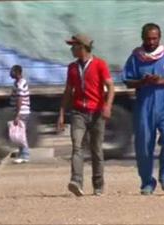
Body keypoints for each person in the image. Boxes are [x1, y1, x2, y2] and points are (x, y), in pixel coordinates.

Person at [122, 23, 164, 195]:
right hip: (144, 106)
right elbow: (127, 81)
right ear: (142, 38)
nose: (151, 42)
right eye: (148, 38)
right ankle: (147, 183)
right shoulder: (136, 57)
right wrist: (142, 82)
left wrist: (161, 81)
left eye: (154, 38)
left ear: (159, 37)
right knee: (143, 146)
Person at [57, 34, 115, 196]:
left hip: (96, 112)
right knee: (77, 146)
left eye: (74, 46)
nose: (71, 49)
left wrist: (107, 106)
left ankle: (98, 184)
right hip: (78, 113)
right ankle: (76, 181)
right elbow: (68, 91)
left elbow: (110, 87)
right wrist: (61, 113)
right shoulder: (72, 68)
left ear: (82, 47)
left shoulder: (99, 64)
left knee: (96, 149)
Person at [9, 65, 31, 164]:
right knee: (18, 134)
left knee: (21, 134)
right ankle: (22, 152)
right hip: (20, 111)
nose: (10, 73)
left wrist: (17, 115)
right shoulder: (17, 83)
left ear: (17, 72)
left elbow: (20, 99)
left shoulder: (21, 83)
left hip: (22, 112)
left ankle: (25, 155)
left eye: (12, 72)